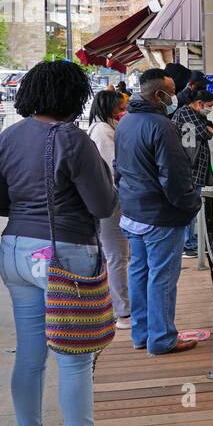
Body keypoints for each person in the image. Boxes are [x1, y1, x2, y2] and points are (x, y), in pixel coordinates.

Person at [0, 60, 127, 426]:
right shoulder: (72, 140)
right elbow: (103, 206)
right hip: (63, 255)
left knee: (30, 354)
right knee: (75, 358)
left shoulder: (6, 138)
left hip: (14, 252)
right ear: (74, 97)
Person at [116, 68, 202, 355]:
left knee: (139, 273)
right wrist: (191, 204)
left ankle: (142, 334)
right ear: (158, 95)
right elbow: (174, 177)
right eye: (171, 90)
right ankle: (162, 338)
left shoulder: (126, 122)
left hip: (133, 212)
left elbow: (120, 168)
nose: (175, 96)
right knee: (162, 277)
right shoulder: (161, 125)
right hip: (159, 216)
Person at [87, 89, 131, 329]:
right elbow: (113, 168)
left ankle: (118, 305)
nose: (122, 111)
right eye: (119, 107)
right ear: (110, 108)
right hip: (110, 201)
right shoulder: (103, 132)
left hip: (108, 200)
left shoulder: (101, 128)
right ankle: (122, 311)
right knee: (117, 256)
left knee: (116, 255)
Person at [173, 89, 213, 258]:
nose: (209, 109)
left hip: (196, 169)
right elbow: (205, 133)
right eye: (209, 106)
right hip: (190, 169)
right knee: (189, 208)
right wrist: (207, 128)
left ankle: (190, 240)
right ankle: (187, 245)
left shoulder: (198, 116)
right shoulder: (186, 113)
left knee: (192, 208)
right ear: (199, 103)